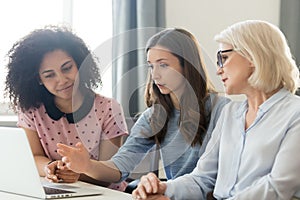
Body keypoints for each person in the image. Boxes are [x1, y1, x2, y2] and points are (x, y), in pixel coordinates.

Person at [132, 20, 300, 200]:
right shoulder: (231, 113)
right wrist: (163, 188)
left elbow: (278, 188)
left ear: (253, 56)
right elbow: (202, 179)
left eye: (224, 58)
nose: (219, 70)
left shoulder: (295, 113)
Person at [56, 28, 230, 192]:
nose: (155, 75)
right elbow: (119, 168)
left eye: (163, 65)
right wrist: (87, 166)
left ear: (187, 65)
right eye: (151, 66)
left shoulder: (222, 110)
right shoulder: (154, 116)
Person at [4, 26, 128, 191]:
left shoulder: (108, 108)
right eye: (49, 75)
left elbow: (110, 173)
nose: (62, 80)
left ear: (79, 64)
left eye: (67, 68)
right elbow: (34, 157)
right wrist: (51, 168)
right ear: (38, 79)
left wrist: (78, 172)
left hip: (105, 194)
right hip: (58, 190)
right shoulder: (31, 110)